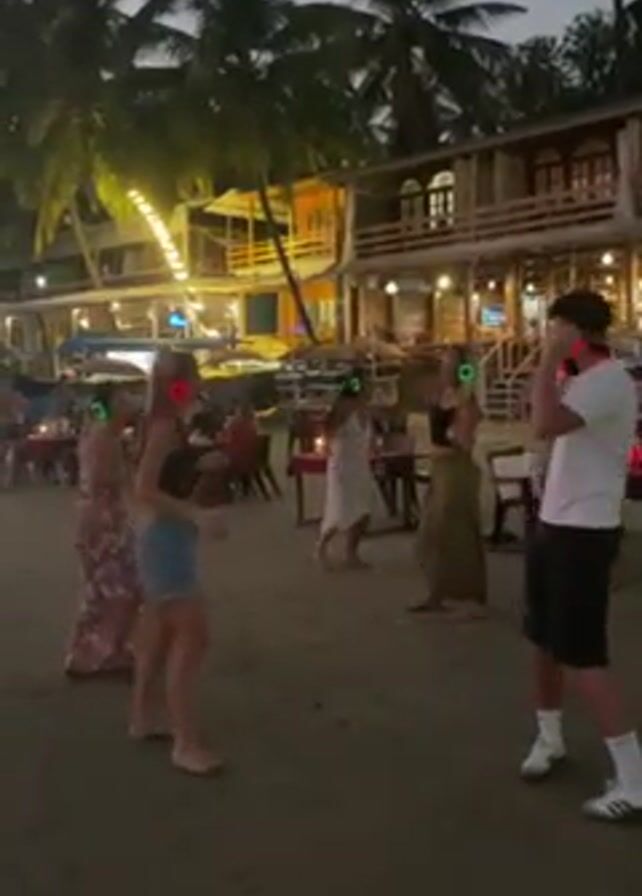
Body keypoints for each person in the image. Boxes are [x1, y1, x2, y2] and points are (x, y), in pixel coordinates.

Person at [521, 290, 642, 823]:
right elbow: (540, 417)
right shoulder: (581, 379)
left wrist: (549, 360)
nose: (548, 338)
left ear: (575, 330)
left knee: (583, 655)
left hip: (584, 532)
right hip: (556, 522)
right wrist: (550, 370)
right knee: (544, 640)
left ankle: (634, 778)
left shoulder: (609, 380)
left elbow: (545, 424)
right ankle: (549, 736)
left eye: (555, 328)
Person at [131, 351, 228, 777]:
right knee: (192, 637)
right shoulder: (165, 426)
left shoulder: (164, 423)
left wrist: (198, 463)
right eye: (193, 378)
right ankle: (185, 742)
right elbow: (144, 488)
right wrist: (196, 516)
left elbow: (163, 475)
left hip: (162, 537)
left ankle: (143, 715)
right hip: (165, 540)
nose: (197, 385)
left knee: (159, 635)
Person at [65, 384, 142, 677]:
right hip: (103, 520)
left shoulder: (106, 434)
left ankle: (108, 649)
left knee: (114, 586)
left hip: (106, 517)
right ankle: (96, 654)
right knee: (114, 586)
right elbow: (101, 477)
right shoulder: (103, 436)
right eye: (124, 399)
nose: (131, 404)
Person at [411, 347, 487, 618]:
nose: (446, 368)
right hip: (440, 468)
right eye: (444, 362)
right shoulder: (442, 394)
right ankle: (437, 592)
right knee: (431, 533)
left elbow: (465, 441)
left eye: (451, 363)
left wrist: (462, 413)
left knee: (457, 533)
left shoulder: (465, 398)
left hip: (456, 468)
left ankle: (468, 598)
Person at [317, 373, 374, 570]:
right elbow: (327, 429)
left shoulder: (365, 409)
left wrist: (372, 446)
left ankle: (352, 553)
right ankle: (322, 546)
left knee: (363, 510)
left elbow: (367, 436)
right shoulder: (343, 408)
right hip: (343, 465)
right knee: (340, 509)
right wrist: (327, 445)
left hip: (360, 465)